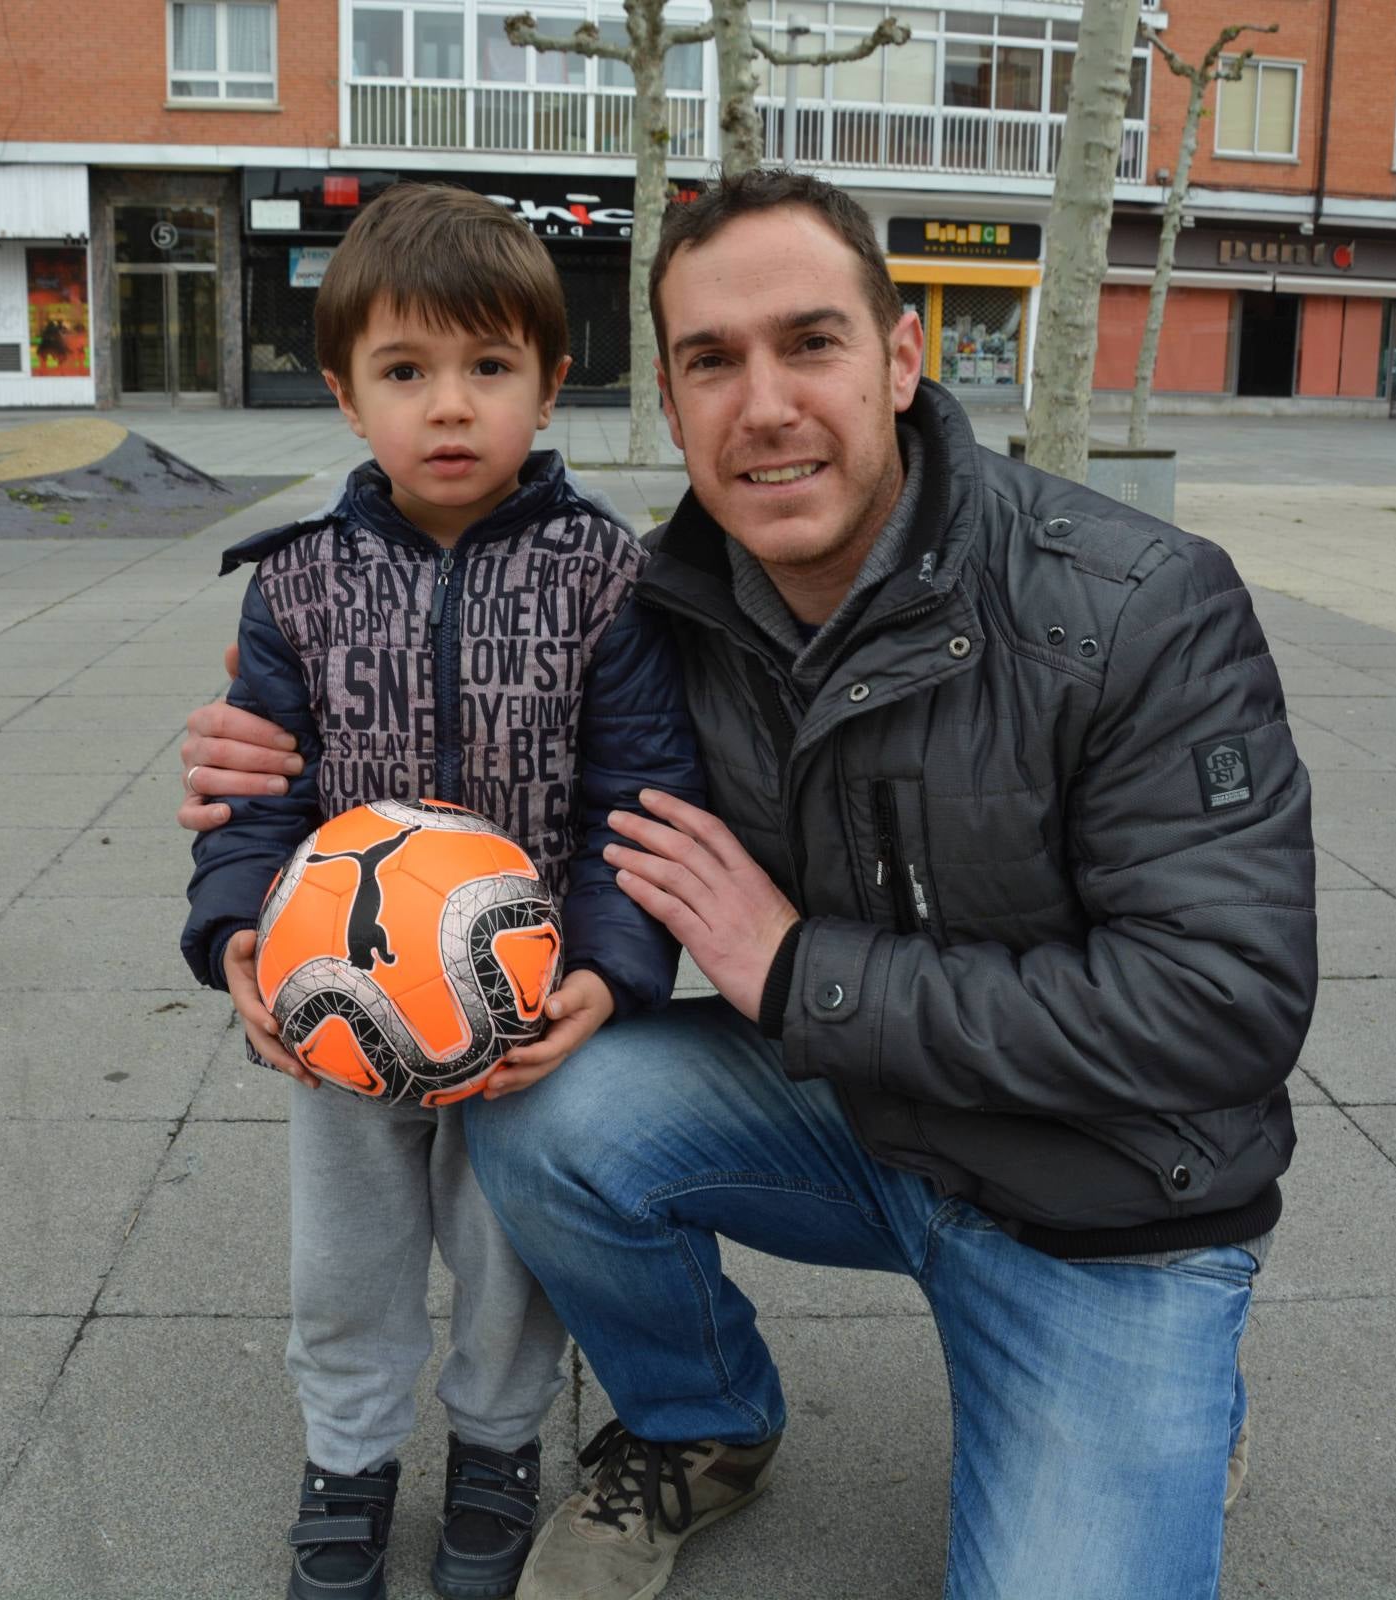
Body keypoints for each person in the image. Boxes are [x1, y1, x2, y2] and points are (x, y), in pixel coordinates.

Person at [182, 168, 1316, 1600]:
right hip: (859, 1118)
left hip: (1098, 1197)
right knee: (548, 1106)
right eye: (715, 361)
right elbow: (544, 776)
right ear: (667, 398)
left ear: (903, 357)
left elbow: (1223, 1011)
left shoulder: (1142, 606)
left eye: (813, 343)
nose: (764, 403)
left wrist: (794, 972)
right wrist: (261, 842)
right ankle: (703, 1423)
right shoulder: (666, 606)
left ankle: (1162, 1405)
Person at [179, 183, 705, 1600]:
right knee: (346, 1260)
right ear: (347, 395)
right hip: (345, 1005)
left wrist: (606, 965)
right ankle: (348, 1457)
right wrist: (239, 934)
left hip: (513, 1013)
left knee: (509, 1253)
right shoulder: (293, 586)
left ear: (551, 382)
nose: (450, 407)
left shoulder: (609, 579)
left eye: (489, 368)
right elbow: (255, 794)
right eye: (406, 372)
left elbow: (637, 796)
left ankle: (494, 1447)